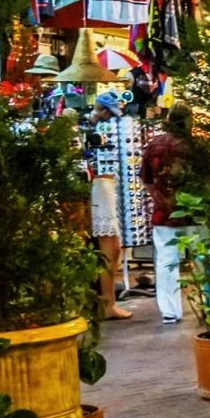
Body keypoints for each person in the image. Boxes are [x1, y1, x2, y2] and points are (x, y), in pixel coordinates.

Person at [141, 102, 200, 324]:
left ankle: (169, 310)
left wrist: (160, 198)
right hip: (194, 212)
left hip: (163, 214)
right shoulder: (194, 147)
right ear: (188, 121)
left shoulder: (154, 145)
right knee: (203, 259)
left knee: (167, 262)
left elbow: (146, 179)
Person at [87, 91, 135, 321]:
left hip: (102, 186)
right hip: (100, 188)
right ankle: (107, 303)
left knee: (110, 246)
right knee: (109, 245)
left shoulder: (90, 128)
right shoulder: (89, 129)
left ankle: (106, 302)